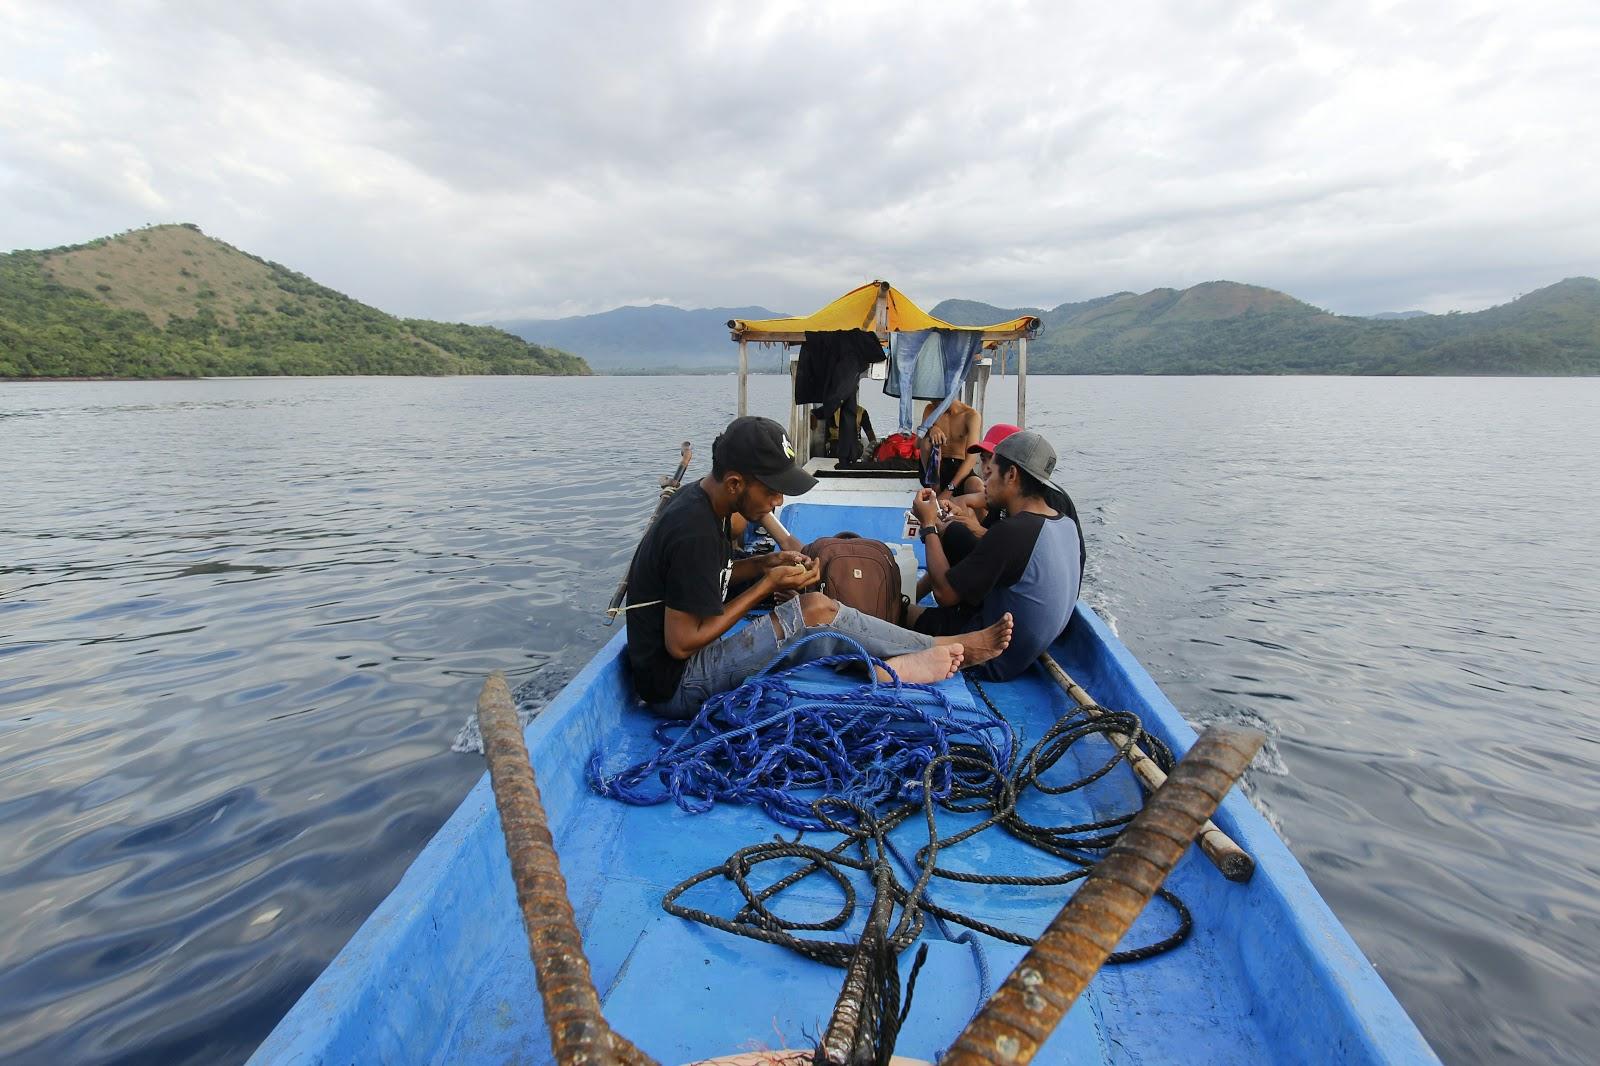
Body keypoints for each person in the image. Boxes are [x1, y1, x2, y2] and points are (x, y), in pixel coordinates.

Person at [625, 416, 1014, 719]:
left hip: (683, 665)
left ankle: (898, 658)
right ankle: (941, 647)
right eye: (771, 489)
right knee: (814, 611)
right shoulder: (693, 532)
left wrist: (766, 563)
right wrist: (765, 587)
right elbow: (680, 644)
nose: (778, 501)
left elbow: (715, 574)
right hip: (677, 686)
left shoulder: (706, 503)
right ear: (734, 483)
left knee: (815, 614)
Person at [907, 430, 1084, 682]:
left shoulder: (1012, 532)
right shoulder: (1064, 523)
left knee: (903, 613)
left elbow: (944, 596)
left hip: (994, 655)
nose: (984, 482)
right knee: (957, 533)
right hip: (1028, 645)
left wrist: (928, 527)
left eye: (989, 473)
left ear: (1011, 475)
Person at [920, 397, 983, 497]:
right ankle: (934, 490)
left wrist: (949, 490)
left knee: (978, 487)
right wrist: (931, 429)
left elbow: (971, 458)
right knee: (926, 441)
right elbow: (917, 443)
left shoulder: (971, 415)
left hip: (959, 468)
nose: (932, 400)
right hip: (936, 468)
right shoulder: (930, 409)